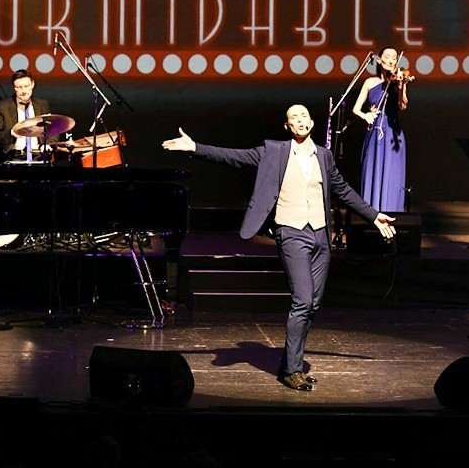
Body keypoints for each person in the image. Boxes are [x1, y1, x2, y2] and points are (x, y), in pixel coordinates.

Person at [162, 105, 396, 391]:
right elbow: (234, 157)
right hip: (292, 233)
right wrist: (195, 147)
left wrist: (373, 215)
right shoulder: (273, 151)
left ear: (311, 122)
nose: (300, 120)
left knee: (313, 304)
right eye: (293, 118)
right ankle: (293, 370)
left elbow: (343, 190)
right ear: (287, 126)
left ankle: (289, 362)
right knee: (303, 300)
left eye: (303, 116)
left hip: (320, 236)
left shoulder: (324, 156)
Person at [351, 47, 411, 213]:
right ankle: (371, 214)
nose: (391, 60)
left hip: (392, 134)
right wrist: (366, 116)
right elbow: (355, 109)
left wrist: (401, 87)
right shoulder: (370, 82)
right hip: (374, 133)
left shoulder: (398, 81)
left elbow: (402, 105)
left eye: (394, 57)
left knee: (391, 174)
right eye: (387, 56)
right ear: (379, 60)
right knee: (372, 171)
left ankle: (391, 213)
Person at [0, 69, 51, 156]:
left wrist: (48, 144)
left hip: (38, 154)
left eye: (26, 86)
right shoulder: (2, 107)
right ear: (14, 88)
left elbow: (52, 129)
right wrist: (11, 133)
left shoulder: (42, 105)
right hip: (12, 155)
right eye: (19, 87)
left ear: (32, 84)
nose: (23, 91)